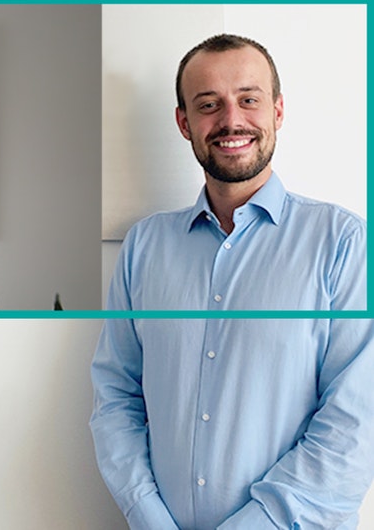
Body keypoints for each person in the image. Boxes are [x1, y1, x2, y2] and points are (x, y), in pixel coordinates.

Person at [90, 33, 373, 528]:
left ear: (278, 111)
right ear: (184, 122)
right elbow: (115, 396)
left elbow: (356, 424)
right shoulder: (144, 247)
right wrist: (147, 514)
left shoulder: (344, 243)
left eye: (249, 99)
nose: (231, 120)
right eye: (208, 104)